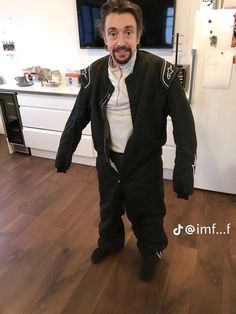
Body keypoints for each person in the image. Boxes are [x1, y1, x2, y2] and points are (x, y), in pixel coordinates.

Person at [55, 0, 197, 281]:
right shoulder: (94, 73)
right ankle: (110, 243)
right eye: (113, 33)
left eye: (128, 32)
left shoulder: (162, 73)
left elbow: (184, 125)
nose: (121, 41)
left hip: (144, 163)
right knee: (108, 207)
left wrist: (183, 171)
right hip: (107, 160)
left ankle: (151, 252)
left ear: (139, 35)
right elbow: (77, 116)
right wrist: (64, 152)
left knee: (148, 211)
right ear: (105, 37)